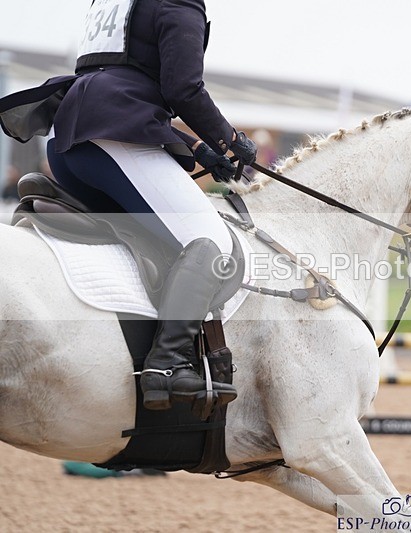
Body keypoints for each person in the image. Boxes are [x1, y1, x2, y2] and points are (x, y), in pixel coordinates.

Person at [44, 0, 258, 410]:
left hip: (69, 141)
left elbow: (120, 82)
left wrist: (196, 147)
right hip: (112, 139)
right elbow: (184, 90)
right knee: (211, 242)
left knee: (160, 240)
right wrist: (229, 139)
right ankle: (168, 363)